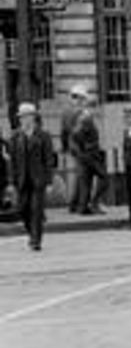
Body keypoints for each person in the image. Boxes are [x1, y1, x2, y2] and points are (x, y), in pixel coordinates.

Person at [13, 103, 59, 252]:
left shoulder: (44, 136)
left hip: (38, 179)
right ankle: (32, 232)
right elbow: (13, 161)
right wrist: (11, 181)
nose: (23, 120)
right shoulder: (16, 136)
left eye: (26, 116)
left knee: (36, 210)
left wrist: (50, 181)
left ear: (33, 117)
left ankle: (35, 240)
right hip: (22, 179)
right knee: (22, 209)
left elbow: (49, 160)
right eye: (21, 117)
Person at [66, 86, 107, 215]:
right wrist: (83, 148)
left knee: (84, 180)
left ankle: (79, 206)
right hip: (88, 154)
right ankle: (91, 204)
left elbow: (68, 135)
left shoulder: (71, 113)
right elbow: (74, 134)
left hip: (81, 153)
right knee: (102, 178)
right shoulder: (84, 117)